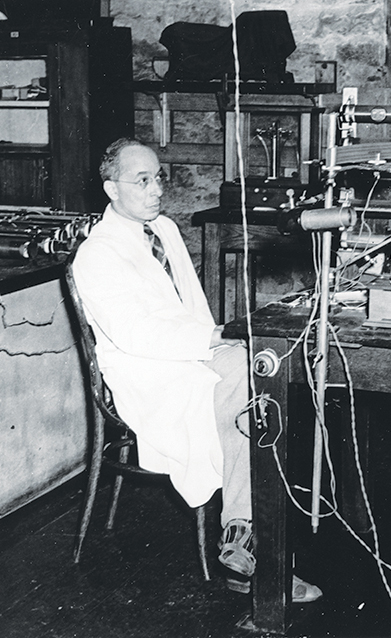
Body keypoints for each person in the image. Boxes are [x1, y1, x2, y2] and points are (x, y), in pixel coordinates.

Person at [72, 138, 321, 603]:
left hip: (187, 352)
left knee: (262, 374)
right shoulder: (97, 254)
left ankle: (246, 537)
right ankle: (254, 549)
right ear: (111, 189)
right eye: (141, 180)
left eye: (158, 177)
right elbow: (136, 335)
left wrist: (215, 337)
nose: (156, 189)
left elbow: (191, 309)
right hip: (144, 370)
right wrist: (218, 337)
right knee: (247, 382)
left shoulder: (163, 230)